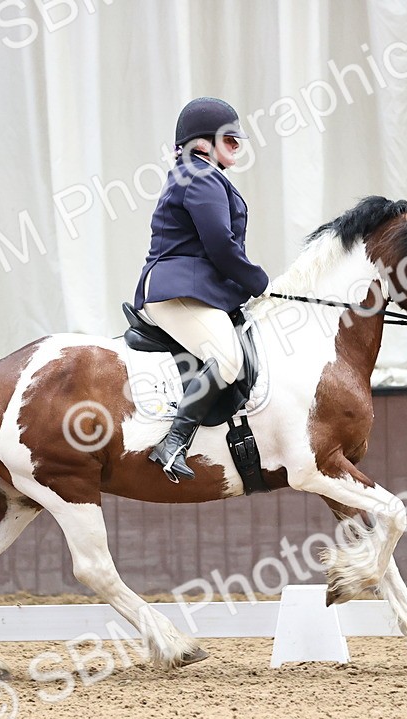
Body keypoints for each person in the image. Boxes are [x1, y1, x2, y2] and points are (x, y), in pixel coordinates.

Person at [132, 97, 270, 482]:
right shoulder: (199, 175)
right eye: (230, 139)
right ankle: (173, 442)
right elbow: (221, 245)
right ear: (202, 143)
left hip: (191, 289)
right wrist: (259, 281)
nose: (237, 146)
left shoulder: (199, 175)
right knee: (228, 359)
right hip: (177, 291)